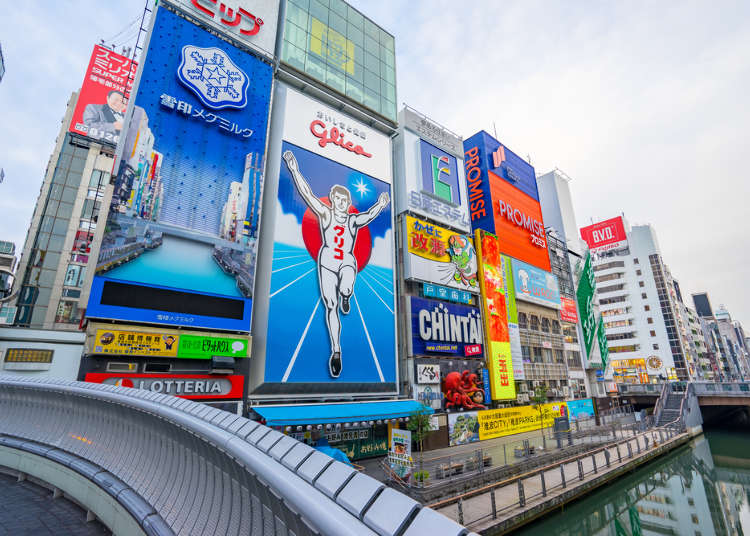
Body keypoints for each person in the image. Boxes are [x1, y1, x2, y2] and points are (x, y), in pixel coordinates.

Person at [282, 150, 390, 378]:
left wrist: (381, 204)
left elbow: (369, 215)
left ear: (349, 203)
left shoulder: (352, 220)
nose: (340, 203)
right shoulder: (325, 214)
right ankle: (336, 351)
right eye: (337, 199)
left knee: (346, 287)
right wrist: (294, 169)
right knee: (330, 306)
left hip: (347, 261)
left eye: (344, 200)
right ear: (333, 200)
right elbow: (306, 193)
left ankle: (347, 295)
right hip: (327, 261)